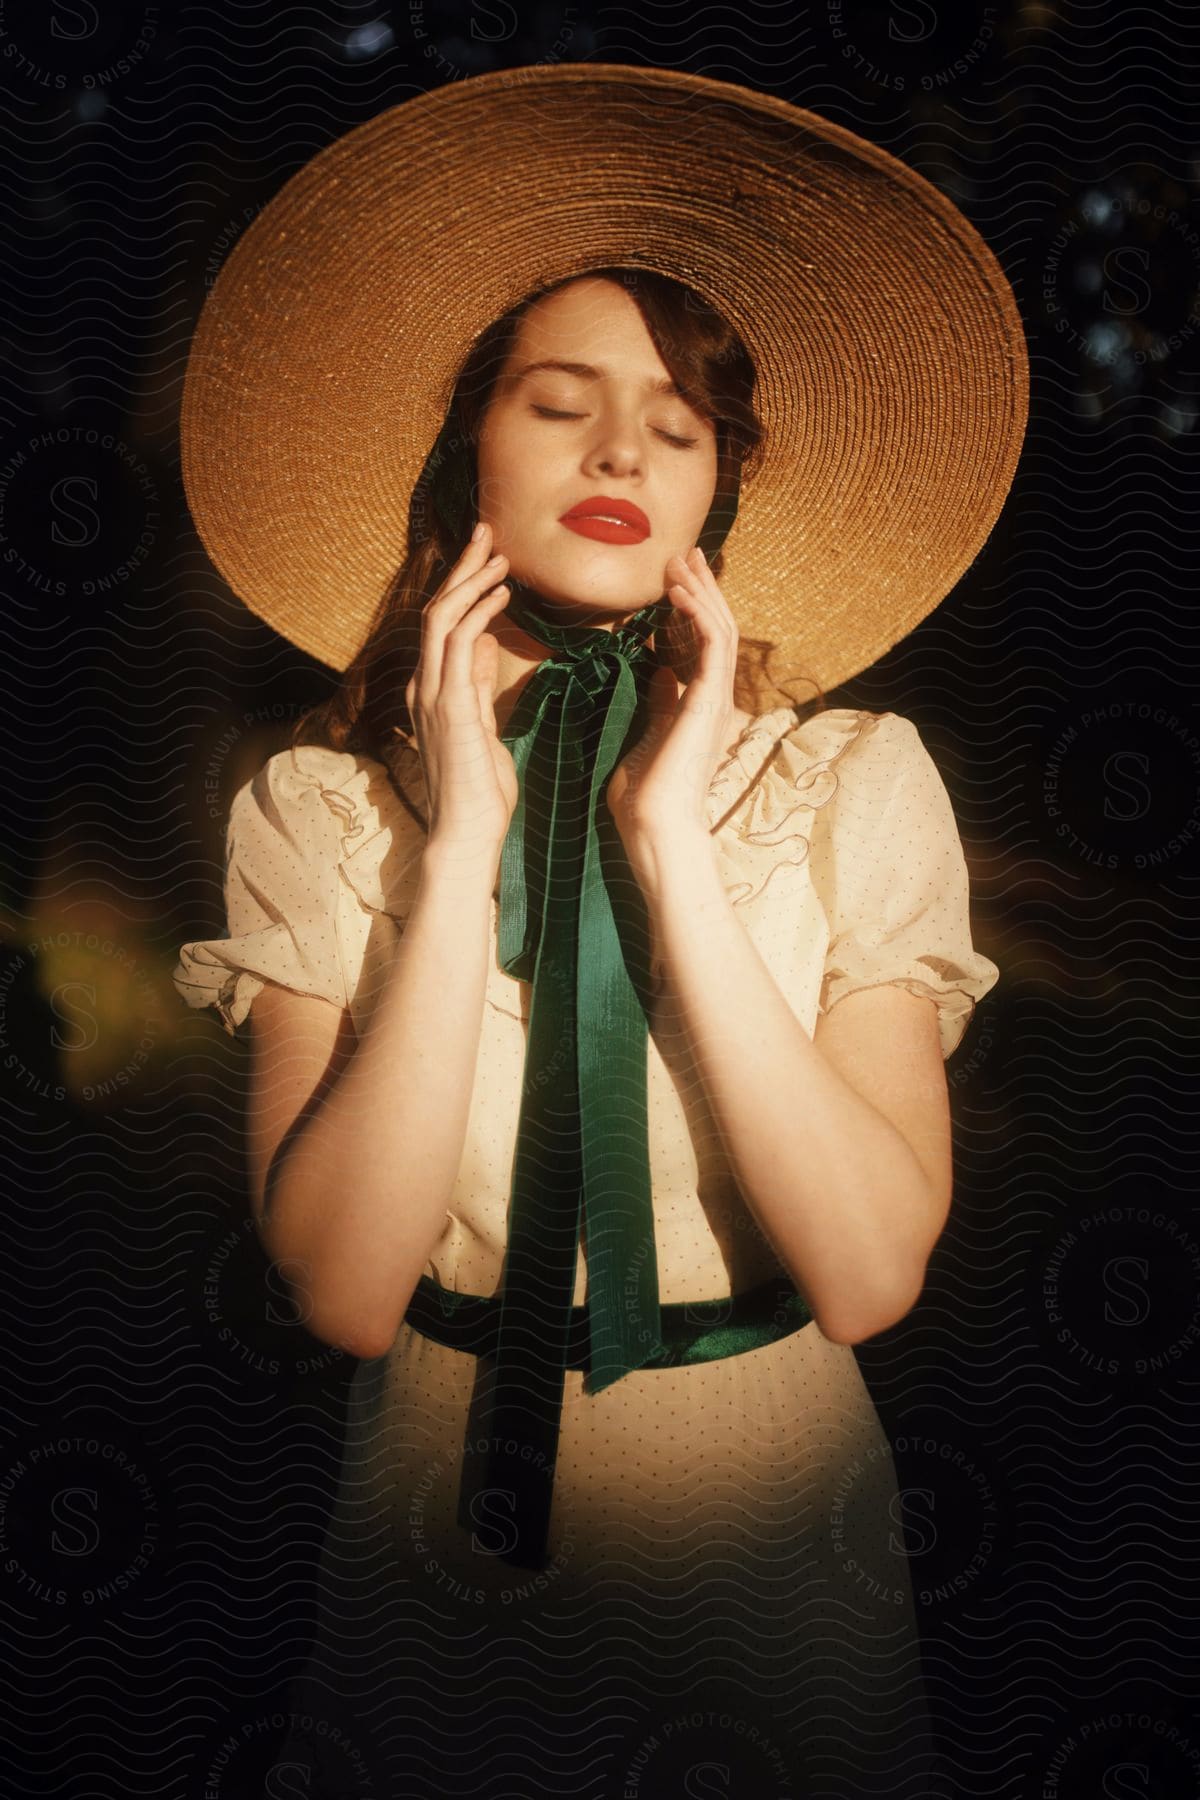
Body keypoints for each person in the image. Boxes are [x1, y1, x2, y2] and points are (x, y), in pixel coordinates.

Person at [173, 63, 1026, 1800]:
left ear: (719, 489)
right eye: (559, 402)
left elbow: (870, 1273)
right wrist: (468, 821)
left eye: (681, 423)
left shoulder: (857, 778)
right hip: (435, 1528)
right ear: (463, 453)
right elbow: (341, 1286)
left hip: (776, 1530)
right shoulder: (319, 807)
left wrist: (669, 844)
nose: (624, 448)